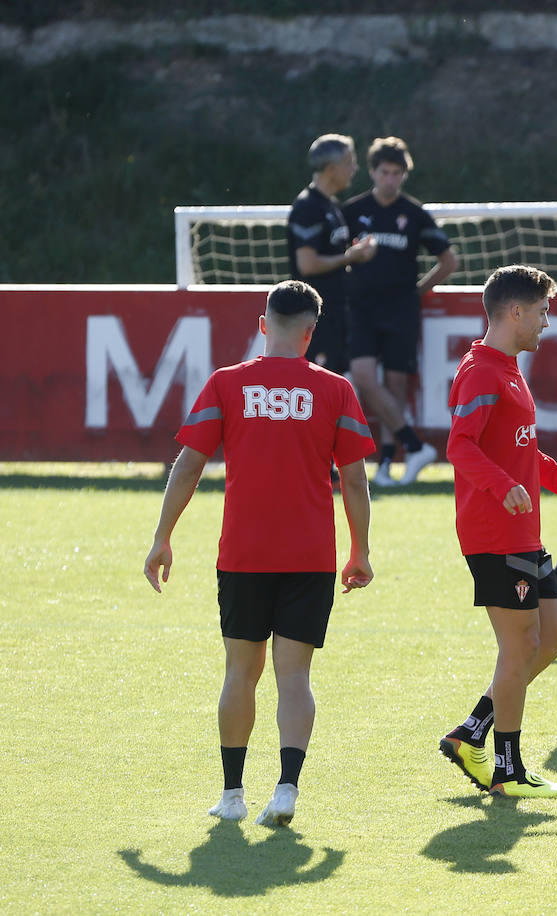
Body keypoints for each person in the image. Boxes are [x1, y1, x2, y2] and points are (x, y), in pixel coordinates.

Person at [142, 280, 374, 827]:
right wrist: (360, 550)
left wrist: (162, 536)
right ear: (311, 332)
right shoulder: (336, 390)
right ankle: (288, 788)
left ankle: (231, 795)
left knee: (240, 672)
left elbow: (188, 466)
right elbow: (355, 479)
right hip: (311, 557)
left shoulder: (228, 384)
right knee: (295, 676)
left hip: (244, 555)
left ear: (263, 323)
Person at [438, 265, 557, 799]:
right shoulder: (482, 372)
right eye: (541, 312)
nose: (546, 321)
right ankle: (508, 769)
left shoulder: (507, 368)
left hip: (522, 531)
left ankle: (473, 731)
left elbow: (524, 450)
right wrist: (500, 484)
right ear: (515, 312)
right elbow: (460, 445)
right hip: (495, 533)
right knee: (519, 647)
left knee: (553, 637)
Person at [343, 136, 458, 487]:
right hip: (360, 308)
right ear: (373, 172)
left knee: (394, 386)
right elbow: (335, 256)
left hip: (401, 311)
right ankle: (414, 445)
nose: (390, 180)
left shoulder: (414, 213)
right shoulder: (351, 211)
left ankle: (387, 464)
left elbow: (449, 260)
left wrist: (417, 291)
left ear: (404, 175)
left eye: (397, 173)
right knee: (362, 377)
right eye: (384, 172)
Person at [286, 134, 377, 374]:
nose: (355, 168)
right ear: (331, 168)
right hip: (314, 317)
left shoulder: (331, 205)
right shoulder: (308, 207)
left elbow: (333, 255)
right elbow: (307, 264)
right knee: (319, 390)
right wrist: (351, 256)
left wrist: (357, 254)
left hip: (334, 312)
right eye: (350, 162)